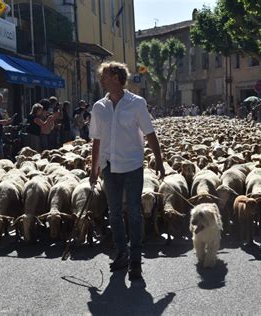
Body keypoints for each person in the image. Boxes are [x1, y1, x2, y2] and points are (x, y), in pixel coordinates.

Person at [89, 61, 165, 281]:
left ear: (116, 77)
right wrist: (94, 168)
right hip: (109, 167)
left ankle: (135, 260)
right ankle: (121, 252)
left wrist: (159, 161)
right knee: (113, 212)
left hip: (132, 165)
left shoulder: (136, 103)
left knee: (133, 211)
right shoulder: (98, 107)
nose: (101, 80)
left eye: (104, 76)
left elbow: (150, 134)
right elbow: (96, 139)